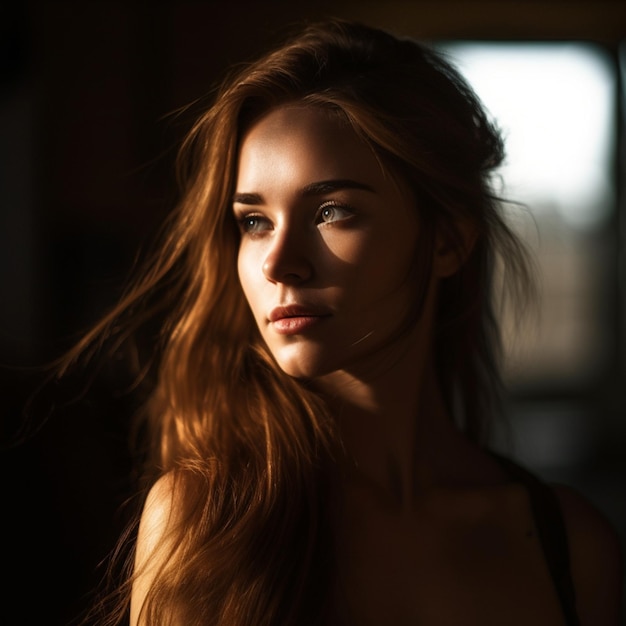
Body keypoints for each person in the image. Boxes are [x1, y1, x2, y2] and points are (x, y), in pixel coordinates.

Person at [63, 17, 622, 626]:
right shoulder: (206, 522)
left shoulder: (571, 547)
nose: (279, 262)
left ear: (448, 241)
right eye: (254, 221)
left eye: (332, 211)